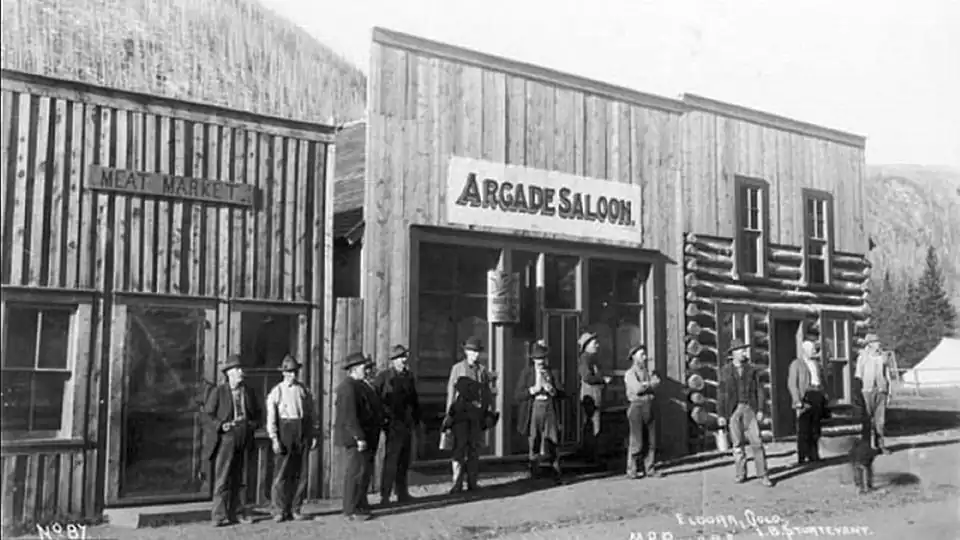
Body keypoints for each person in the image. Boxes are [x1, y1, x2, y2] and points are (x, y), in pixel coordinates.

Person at [203, 355, 262, 527]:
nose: (241, 372)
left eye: (241, 369)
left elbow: (258, 413)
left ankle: (238, 513)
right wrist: (221, 425)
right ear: (229, 373)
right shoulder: (219, 392)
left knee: (241, 477)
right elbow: (207, 416)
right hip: (226, 438)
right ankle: (219, 516)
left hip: (244, 436)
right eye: (237, 369)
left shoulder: (249, 392)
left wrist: (252, 425)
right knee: (223, 477)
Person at [266, 354, 317, 522]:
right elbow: (271, 417)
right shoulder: (277, 391)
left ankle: (295, 508)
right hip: (285, 429)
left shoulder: (303, 390)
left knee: (301, 473)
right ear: (283, 373)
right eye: (289, 372)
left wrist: (313, 434)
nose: (292, 375)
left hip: (301, 430)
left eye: (295, 372)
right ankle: (278, 509)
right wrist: (274, 438)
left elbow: (311, 414)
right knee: (282, 472)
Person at [716, 339, 774, 487]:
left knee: (757, 442)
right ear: (734, 353)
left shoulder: (752, 370)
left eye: (744, 350)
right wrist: (721, 414)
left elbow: (760, 390)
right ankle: (740, 473)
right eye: (741, 350)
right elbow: (721, 393)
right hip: (733, 410)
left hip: (750, 408)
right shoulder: (725, 371)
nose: (744, 352)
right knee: (737, 444)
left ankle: (763, 474)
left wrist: (760, 409)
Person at [373, 344, 423, 506]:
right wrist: (383, 419)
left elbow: (414, 400)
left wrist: (416, 420)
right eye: (400, 358)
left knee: (404, 459)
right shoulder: (384, 377)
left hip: (406, 423)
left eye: (404, 357)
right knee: (391, 460)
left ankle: (402, 493)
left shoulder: (409, 377)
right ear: (393, 361)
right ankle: (385, 495)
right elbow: (376, 400)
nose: (403, 360)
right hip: (393, 424)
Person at [334, 353, 380, 522]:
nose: (365, 371)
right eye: (362, 368)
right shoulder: (347, 387)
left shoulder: (357, 385)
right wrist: (359, 437)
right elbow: (350, 417)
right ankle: (350, 509)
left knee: (362, 472)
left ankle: (359, 505)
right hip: (354, 438)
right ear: (354, 369)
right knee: (355, 473)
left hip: (363, 434)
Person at [445, 336, 493, 490]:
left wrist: (487, 412)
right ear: (466, 352)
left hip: (476, 416)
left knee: (474, 449)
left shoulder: (482, 370)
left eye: (477, 352)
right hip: (460, 415)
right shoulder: (457, 369)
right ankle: (457, 483)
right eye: (472, 351)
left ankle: (472, 482)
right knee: (459, 449)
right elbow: (451, 392)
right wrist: (449, 414)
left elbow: (486, 394)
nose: (475, 355)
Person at [514, 341, 565, 483]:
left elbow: (562, 393)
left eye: (542, 358)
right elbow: (517, 395)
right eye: (537, 359)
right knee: (534, 438)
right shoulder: (526, 373)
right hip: (534, 406)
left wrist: (552, 389)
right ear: (533, 359)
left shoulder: (553, 372)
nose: (540, 362)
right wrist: (532, 390)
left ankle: (555, 471)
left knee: (553, 438)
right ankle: (534, 471)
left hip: (549, 406)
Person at [788, 341, 829, 465]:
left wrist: (824, 394)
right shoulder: (796, 364)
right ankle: (802, 456)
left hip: (817, 394)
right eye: (812, 349)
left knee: (815, 427)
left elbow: (822, 380)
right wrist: (797, 400)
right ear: (805, 350)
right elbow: (792, 383)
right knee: (804, 428)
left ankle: (814, 454)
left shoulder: (816, 364)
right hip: (805, 396)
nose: (814, 351)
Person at [623, 344, 661, 479]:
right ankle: (632, 470)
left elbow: (657, 382)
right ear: (634, 357)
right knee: (636, 441)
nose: (644, 357)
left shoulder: (649, 372)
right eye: (641, 355)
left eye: (645, 354)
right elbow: (637, 389)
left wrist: (646, 384)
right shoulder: (630, 373)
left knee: (651, 440)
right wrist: (649, 385)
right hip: (636, 407)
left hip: (649, 406)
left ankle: (650, 468)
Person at [442, 376, 485, 493]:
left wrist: (446, 428)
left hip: (460, 433)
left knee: (458, 457)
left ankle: (457, 484)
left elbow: (449, 419)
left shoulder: (457, 404)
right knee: (473, 456)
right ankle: (472, 483)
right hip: (471, 433)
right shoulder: (475, 405)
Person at [855, 334, 894, 454]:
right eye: (875, 342)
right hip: (867, 391)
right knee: (866, 420)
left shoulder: (883, 357)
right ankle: (866, 446)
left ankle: (880, 445)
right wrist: (859, 393)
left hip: (881, 391)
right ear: (870, 344)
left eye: (878, 341)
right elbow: (858, 375)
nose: (878, 344)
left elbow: (887, 375)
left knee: (880, 421)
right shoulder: (863, 357)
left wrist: (889, 392)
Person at [578, 332, 612, 462]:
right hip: (590, 397)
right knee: (592, 425)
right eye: (594, 343)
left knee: (595, 425)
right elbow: (587, 377)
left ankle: (593, 454)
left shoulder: (592, 359)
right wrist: (602, 379)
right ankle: (591, 456)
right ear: (587, 345)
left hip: (596, 396)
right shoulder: (585, 359)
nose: (597, 345)